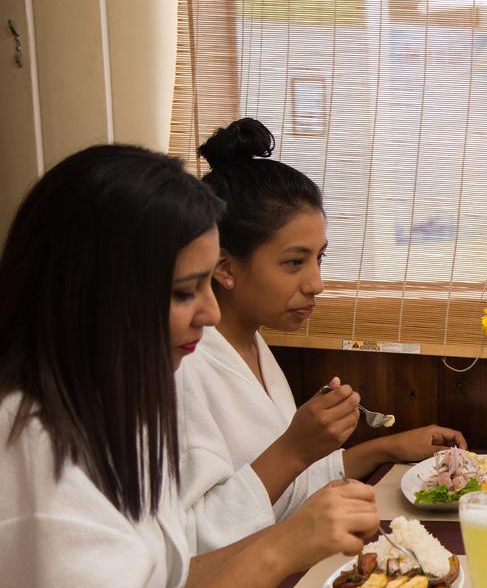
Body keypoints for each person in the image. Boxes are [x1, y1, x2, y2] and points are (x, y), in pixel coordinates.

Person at [0, 144, 379, 588]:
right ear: (96, 289)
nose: (209, 313)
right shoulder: (34, 447)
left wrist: (299, 540)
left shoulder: (113, 413)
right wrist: (276, 550)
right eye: (185, 291)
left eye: (209, 284)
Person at [179, 118, 466, 553]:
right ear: (225, 268)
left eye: (319, 257)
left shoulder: (253, 344)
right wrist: (295, 447)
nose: (317, 283)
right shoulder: (184, 368)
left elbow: (286, 492)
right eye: (295, 262)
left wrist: (385, 448)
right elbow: (194, 544)